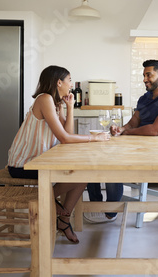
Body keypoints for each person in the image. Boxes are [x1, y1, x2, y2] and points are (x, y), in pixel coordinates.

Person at [7, 65, 110, 243]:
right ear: (59, 82)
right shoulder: (44, 99)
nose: (71, 84)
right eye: (69, 80)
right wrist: (95, 139)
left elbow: (66, 132)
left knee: (83, 173)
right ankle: (47, 201)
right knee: (78, 173)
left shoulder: (54, 103)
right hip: (24, 164)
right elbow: (65, 138)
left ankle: (63, 218)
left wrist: (69, 107)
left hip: (40, 162)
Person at [84, 59, 158, 224]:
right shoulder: (144, 98)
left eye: (148, 75)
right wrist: (121, 129)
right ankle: (96, 205)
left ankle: (110, 211)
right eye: (144, 75)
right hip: (137, 147)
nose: (144, 79)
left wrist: (127, 132)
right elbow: (132, 124)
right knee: (94, 155)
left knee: (111, 161)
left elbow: (155, 130)